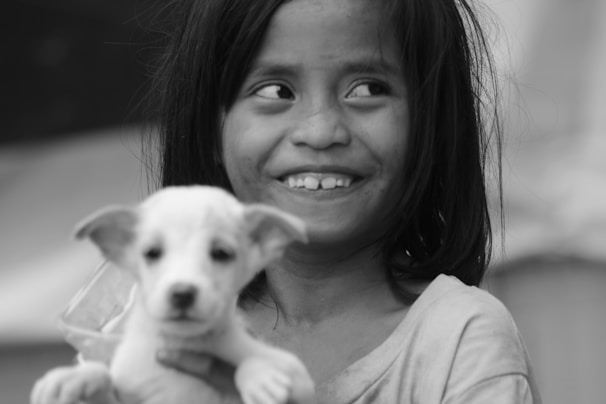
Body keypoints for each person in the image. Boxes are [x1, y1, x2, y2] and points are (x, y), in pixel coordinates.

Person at [145, 0, 542, 402]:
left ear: (432, 125)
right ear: (211, 129)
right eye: (275, 91)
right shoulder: (161, 325)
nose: (320, 131)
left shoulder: (459, 340)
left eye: (368, 89)